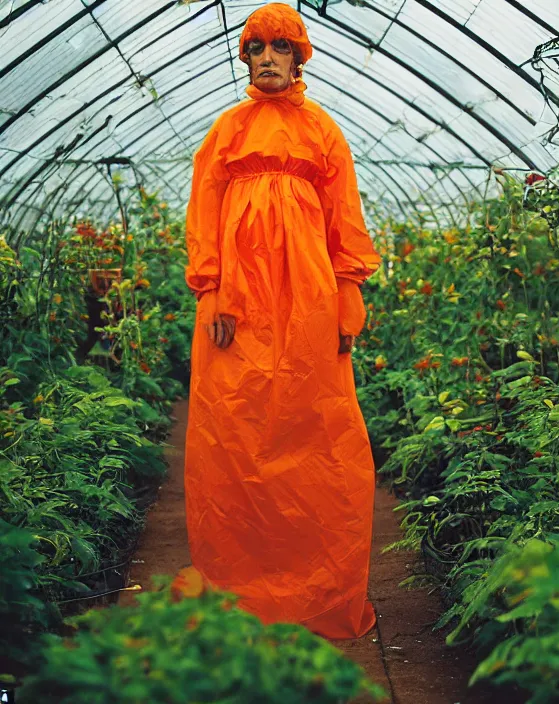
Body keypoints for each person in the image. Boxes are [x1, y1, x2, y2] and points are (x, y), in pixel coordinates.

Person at [182, 3, 381, 640]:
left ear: (299, 56)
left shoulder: (322, 130)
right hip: (236, 304)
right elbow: (205, 212)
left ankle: (315, 590)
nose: (268, 57)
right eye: (257, 47)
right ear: (245, 56)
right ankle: (241, 586)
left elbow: (342, 214)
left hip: (308, 298)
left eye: (280, 46)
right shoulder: (227, 130)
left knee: (313, 426)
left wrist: (349, 291)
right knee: (233, 433)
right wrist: (210, 290)